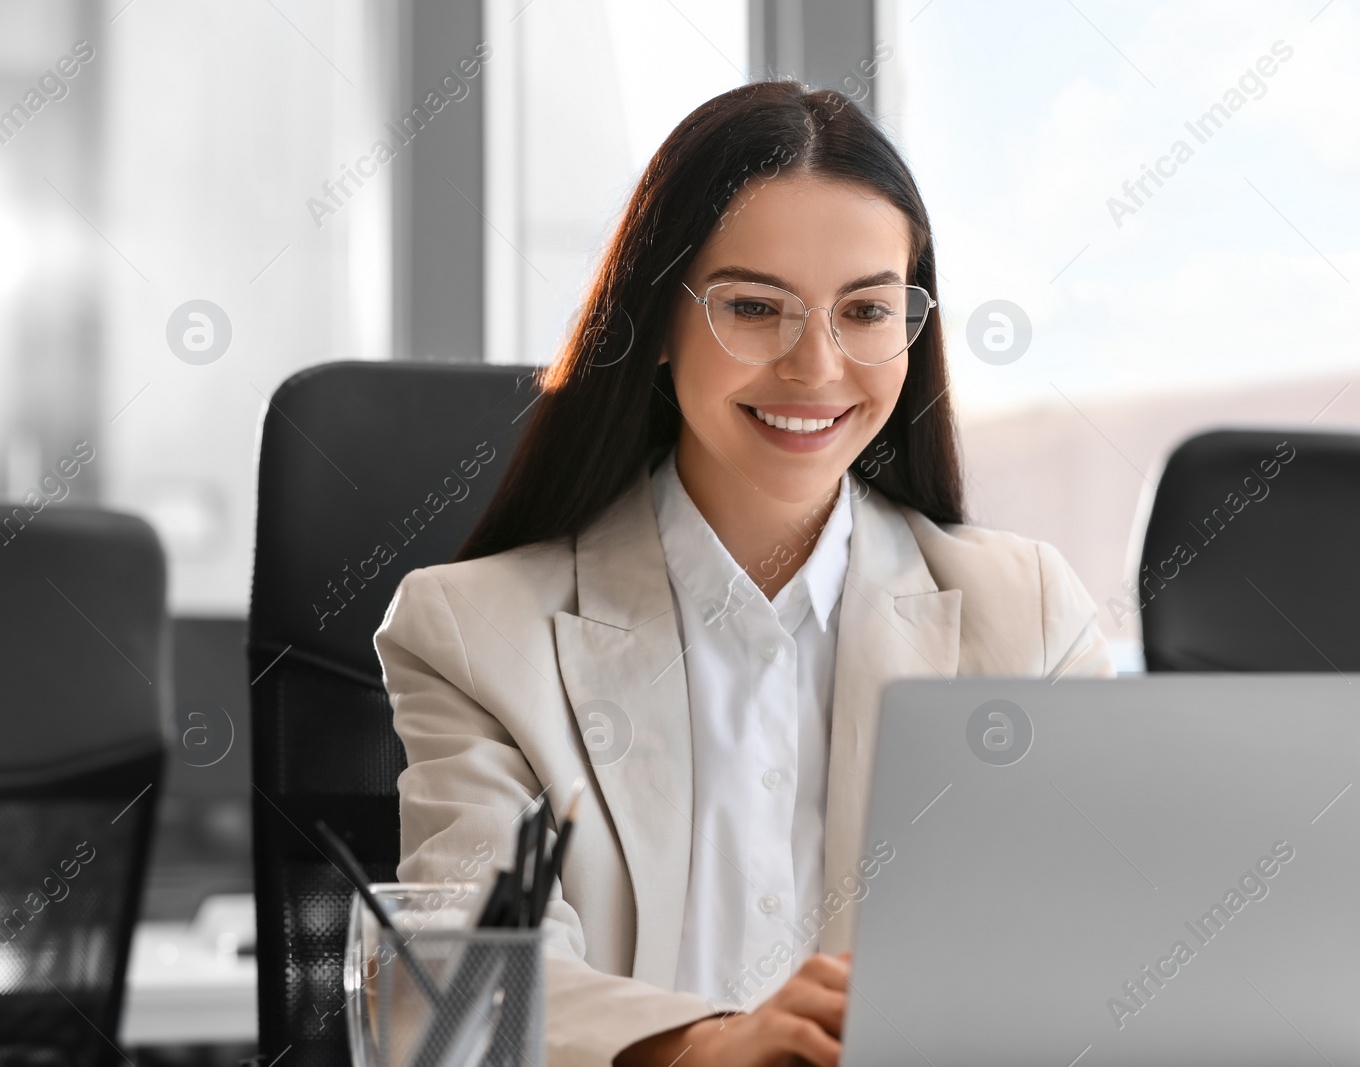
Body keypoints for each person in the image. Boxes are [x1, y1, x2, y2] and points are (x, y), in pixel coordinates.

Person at [374, 79, 1113, 1067]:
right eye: (756, 307)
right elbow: (460, 989)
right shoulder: (474, 634)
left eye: (865, 311)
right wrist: (705, 1046)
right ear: (659, 326)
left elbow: (1088, 962)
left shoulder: (1025, 617)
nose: (815, 366)